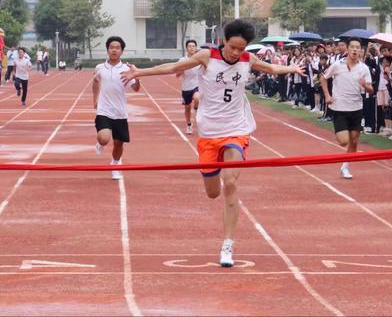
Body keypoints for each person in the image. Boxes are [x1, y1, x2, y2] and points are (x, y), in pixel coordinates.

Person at [120, 19, 305, 268]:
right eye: (232, 47)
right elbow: (174, 66)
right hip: (208, 131)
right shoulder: (207, 56)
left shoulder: (246, 60)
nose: (236, 53)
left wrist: (291, 69)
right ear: (224, 41)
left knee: (230, 183)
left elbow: (271, 69)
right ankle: (216, 172)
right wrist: (139, 72)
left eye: (241, 48)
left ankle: (227, 245)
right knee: (213, 192)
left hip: (236, 130)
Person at [320, 37, 374, 179]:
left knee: (354, 141)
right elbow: (323, 77)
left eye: (357, 47)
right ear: (348, 49)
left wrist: (365, 85)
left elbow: (371, 90)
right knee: (343, 141)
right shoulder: (337, 65)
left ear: (361, 51)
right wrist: (327, 95)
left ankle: (345, 166)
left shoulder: (364, 68)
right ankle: (348, 151)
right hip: (339, 108)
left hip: (356, 107)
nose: (355, 49)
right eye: (352, 47)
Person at [93, 36, 141, 180]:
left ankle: (115, 165)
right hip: (104, 110)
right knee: (104, 138)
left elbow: (136, 88)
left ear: (121, 51)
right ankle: (100, 142)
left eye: (117, 48)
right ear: (108, 49)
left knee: (119, 144)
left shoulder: (127, 69)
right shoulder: (100, 68)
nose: (114, 50)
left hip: (120, 112)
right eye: (112, 47)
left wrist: (137, 76)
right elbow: (95, 82)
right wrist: (95, 99)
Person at [177, 39, 201, 135]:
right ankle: (189, 124)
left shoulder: (199, 59)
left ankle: (196, 109)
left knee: (197, 98)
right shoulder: (182, 60)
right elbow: (177, 75)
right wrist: (182, 70)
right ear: (186, 48)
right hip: (186, 87)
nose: (192, 48)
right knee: (187, 108)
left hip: (198, 85)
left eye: (193, 46)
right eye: (190, 46)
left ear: (196, 48)